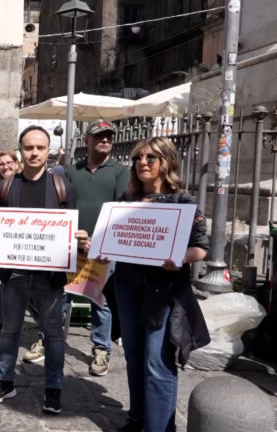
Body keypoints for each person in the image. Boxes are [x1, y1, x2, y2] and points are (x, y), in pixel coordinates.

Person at [112, 137, 210, 432]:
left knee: (157, 360)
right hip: (127, 285)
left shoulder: (183, 201)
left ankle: (159, 428)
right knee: (132, 354)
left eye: (150, 158)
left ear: (165, 163)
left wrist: (180, 257)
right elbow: (116, 238)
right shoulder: (126, 200)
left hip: (163, 289)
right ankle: (137, 418)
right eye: (138, 158)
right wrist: (103, 247)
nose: (142, 162)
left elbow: (201, 247)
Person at [0, 126, 79, 414]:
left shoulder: (63, 187)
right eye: (28, 147)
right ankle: (4, 381)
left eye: (40, 148)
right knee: (9, 330)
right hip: (14, 272)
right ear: (20, 149)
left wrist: (78, 238)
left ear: (49, 151)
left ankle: (53, 388)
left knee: (53, 333)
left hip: (50, 275)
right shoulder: (6, 186)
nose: (34, 153)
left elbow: (70, 230)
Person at [23, 120, 128, 378]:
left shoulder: (120, 171)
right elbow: (61, 205)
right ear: (87, 141)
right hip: (69, 246)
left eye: (108, 137)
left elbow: (121, 209)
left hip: (101, 248)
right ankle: (47, 339)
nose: (105, 140)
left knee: (100, 301)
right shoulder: (71, 170)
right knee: (59, 297)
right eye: (99, 136)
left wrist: (99, 240)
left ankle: (101, 349)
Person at [0, 151, 21, 335]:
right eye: (1, 164)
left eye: (9, 162)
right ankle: (2, 319)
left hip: (22, 240)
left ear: (16, 164)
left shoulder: (24, 183)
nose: (6, 166)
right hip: (2, 240)